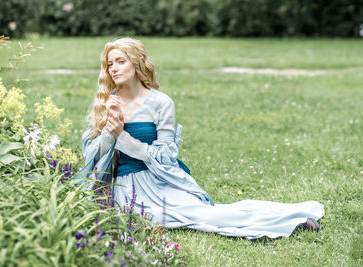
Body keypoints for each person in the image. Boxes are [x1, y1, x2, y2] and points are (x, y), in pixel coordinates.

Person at [79, 37, 324, 239]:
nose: (114, 68)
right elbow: (95, 157)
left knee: (204, 214)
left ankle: (294, 220)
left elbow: (166, 156)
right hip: (126, 187)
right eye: (110, 64)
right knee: (163, 218)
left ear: (136, 62)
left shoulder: (161, 103)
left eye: (120, 61)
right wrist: (111, 133)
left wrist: (122, 136)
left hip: (160, 180)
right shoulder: (108, 101)